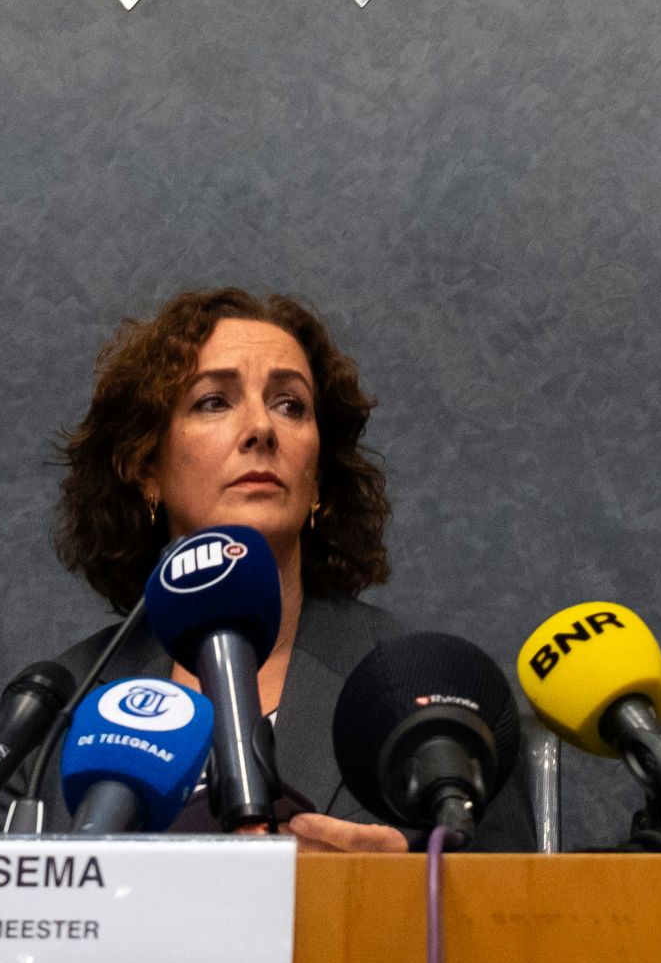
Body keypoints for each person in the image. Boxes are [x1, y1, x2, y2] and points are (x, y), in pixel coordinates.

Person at [35, 286, 408, 848]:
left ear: (318, 478)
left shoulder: (413, 683)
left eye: (291, 405)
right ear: (145, 468)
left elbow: (521, 902)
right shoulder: (57, 706)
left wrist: (395, 887)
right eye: (213, 401)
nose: (262, 428)